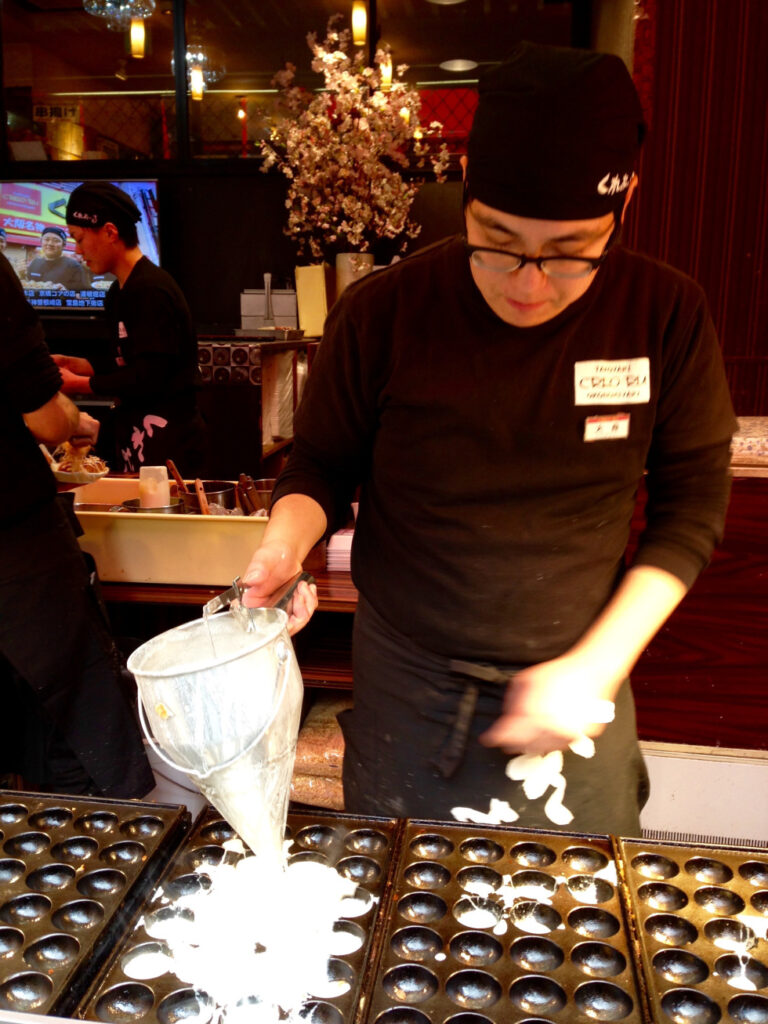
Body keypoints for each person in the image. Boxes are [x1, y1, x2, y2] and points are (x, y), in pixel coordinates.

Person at [242, 42, 737, 835]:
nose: (529, 283)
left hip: (582, 675)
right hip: (411, 679)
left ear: (626, 202)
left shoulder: (664, 314)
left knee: (579, 926)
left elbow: (692, 507)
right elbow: (322, 464)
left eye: (571, 253)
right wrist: (283, 544)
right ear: (468, 183)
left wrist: (598, 665)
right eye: (499, 241)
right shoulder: (385, 312)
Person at [0, 250, 154, 797]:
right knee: (74, 725)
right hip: (15, 546)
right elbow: (45, 418)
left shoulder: (149, 291)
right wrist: (76, 418)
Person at [52, 182, 207, 475]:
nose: (77, 250)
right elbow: (126, 360)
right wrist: (80, 365)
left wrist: (80, 384)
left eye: (80, 238)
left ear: (110, 232)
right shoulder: (117, 292)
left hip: (168, 437)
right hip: (135, 430)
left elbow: (150, 375)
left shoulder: (151, 289)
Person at [26, 225, 89, 291]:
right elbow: (29, 285)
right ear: (41, 242)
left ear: (63, 245)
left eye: (56, 241)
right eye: (46, 239)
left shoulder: (74, 266)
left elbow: (83, 294)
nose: (50, 243)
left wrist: (67, 293)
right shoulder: (35, 263)